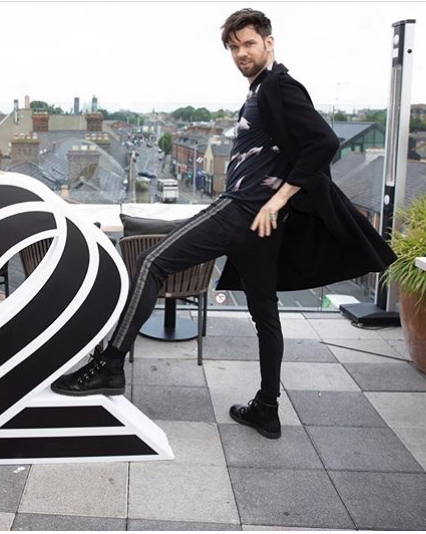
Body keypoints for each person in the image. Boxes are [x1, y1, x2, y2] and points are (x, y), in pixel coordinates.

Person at [51, 9, 396, 439]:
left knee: (150, 263)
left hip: (244, 209)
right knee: (265, 314)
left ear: (269, 43)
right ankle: (266, 409)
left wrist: (278, 199)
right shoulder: (261, 89)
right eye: (234, 47)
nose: (241, 53)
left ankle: (110, 366)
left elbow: (324, 142)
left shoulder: (279, 86)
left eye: (248, 43)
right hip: (259, 224)